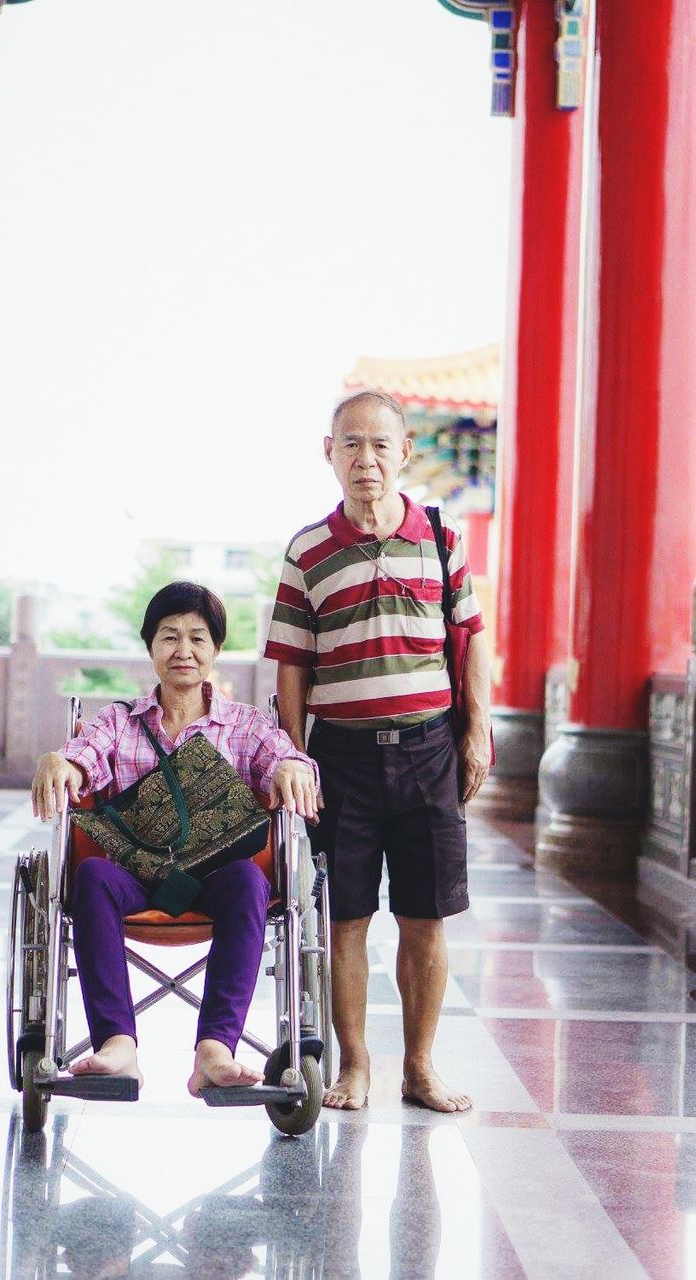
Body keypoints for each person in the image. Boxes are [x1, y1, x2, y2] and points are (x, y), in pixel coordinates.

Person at [264, 390, 491, 1113]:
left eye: (380, 445)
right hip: (343, 762)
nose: (365, 459)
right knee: (345, 920)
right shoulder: (307, 550)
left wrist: (477, 728)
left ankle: (419, 1068)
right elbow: (292, 666)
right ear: (327, 451)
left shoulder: (440, 534)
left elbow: (471, 635)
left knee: (426, 919)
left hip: (429, 753)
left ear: (405, 454)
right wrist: (296, 758)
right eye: (350, 444)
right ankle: (354, 1065)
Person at [32, 581, 319, 1097]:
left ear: (215, 651)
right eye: (169, 637)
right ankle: (118, 1044)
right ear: (150, 648)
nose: (183, 651)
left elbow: (286, 756)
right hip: (138, 878)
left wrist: (292, 768)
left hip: (211, 880)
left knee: (250, 883)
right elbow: (81, 757)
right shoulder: (119, 722)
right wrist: (61, 762)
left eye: (197, 638)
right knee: (93, 874)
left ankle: (214, 1050)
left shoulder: (244, 725)